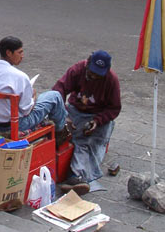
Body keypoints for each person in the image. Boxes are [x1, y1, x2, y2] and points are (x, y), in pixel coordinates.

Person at [52, 50, 121, 195]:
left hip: (96, 115)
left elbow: (114, 108)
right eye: (91, 72)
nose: (94, 76)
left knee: (88, 142)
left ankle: (76, 176)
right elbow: (58, 91)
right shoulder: (77, 70)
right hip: (74, 111)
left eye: (98, 75)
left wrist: (97, 121)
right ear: (88, 64)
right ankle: (75, 176)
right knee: (61, 131)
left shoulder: (111, 80)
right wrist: (65, 115)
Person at [0, 36, 69, 139]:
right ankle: (60, 133)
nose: (22, 56)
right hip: (13, 125)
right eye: (19, 52)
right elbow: (26, 110)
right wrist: (33, 97)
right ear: (9, 53)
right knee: (54, 96)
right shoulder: (19, 77)